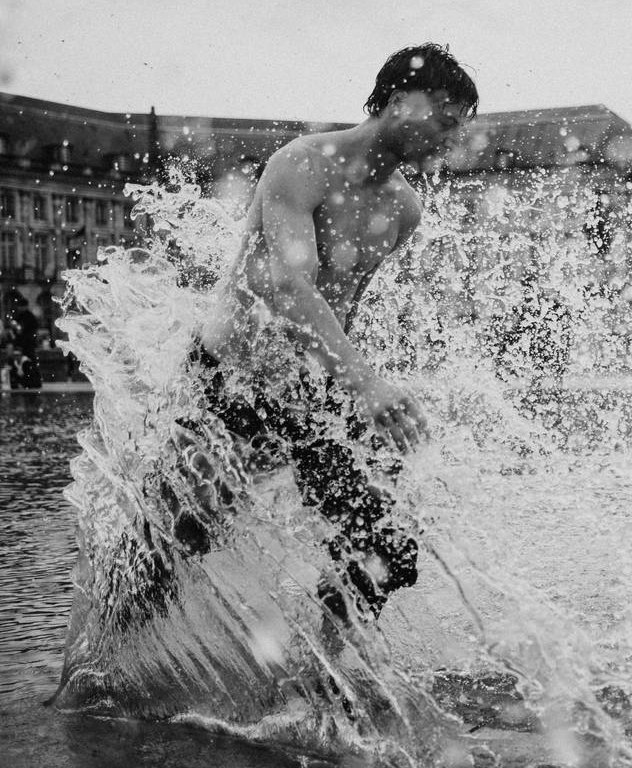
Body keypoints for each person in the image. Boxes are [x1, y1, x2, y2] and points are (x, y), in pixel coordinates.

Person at [130, 44, 478, 629]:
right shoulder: (304, 164)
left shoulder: (403, 209)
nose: (451, 134)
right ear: (398, 100)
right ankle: (101, 669)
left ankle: (322, 678)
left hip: (309, 389)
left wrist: (352, 402)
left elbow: (343, 307)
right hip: (229, 380)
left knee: (385, 545)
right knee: (177, 540)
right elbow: (290, 289)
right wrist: (365, 383)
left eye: (460, 124)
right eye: (444, 115)